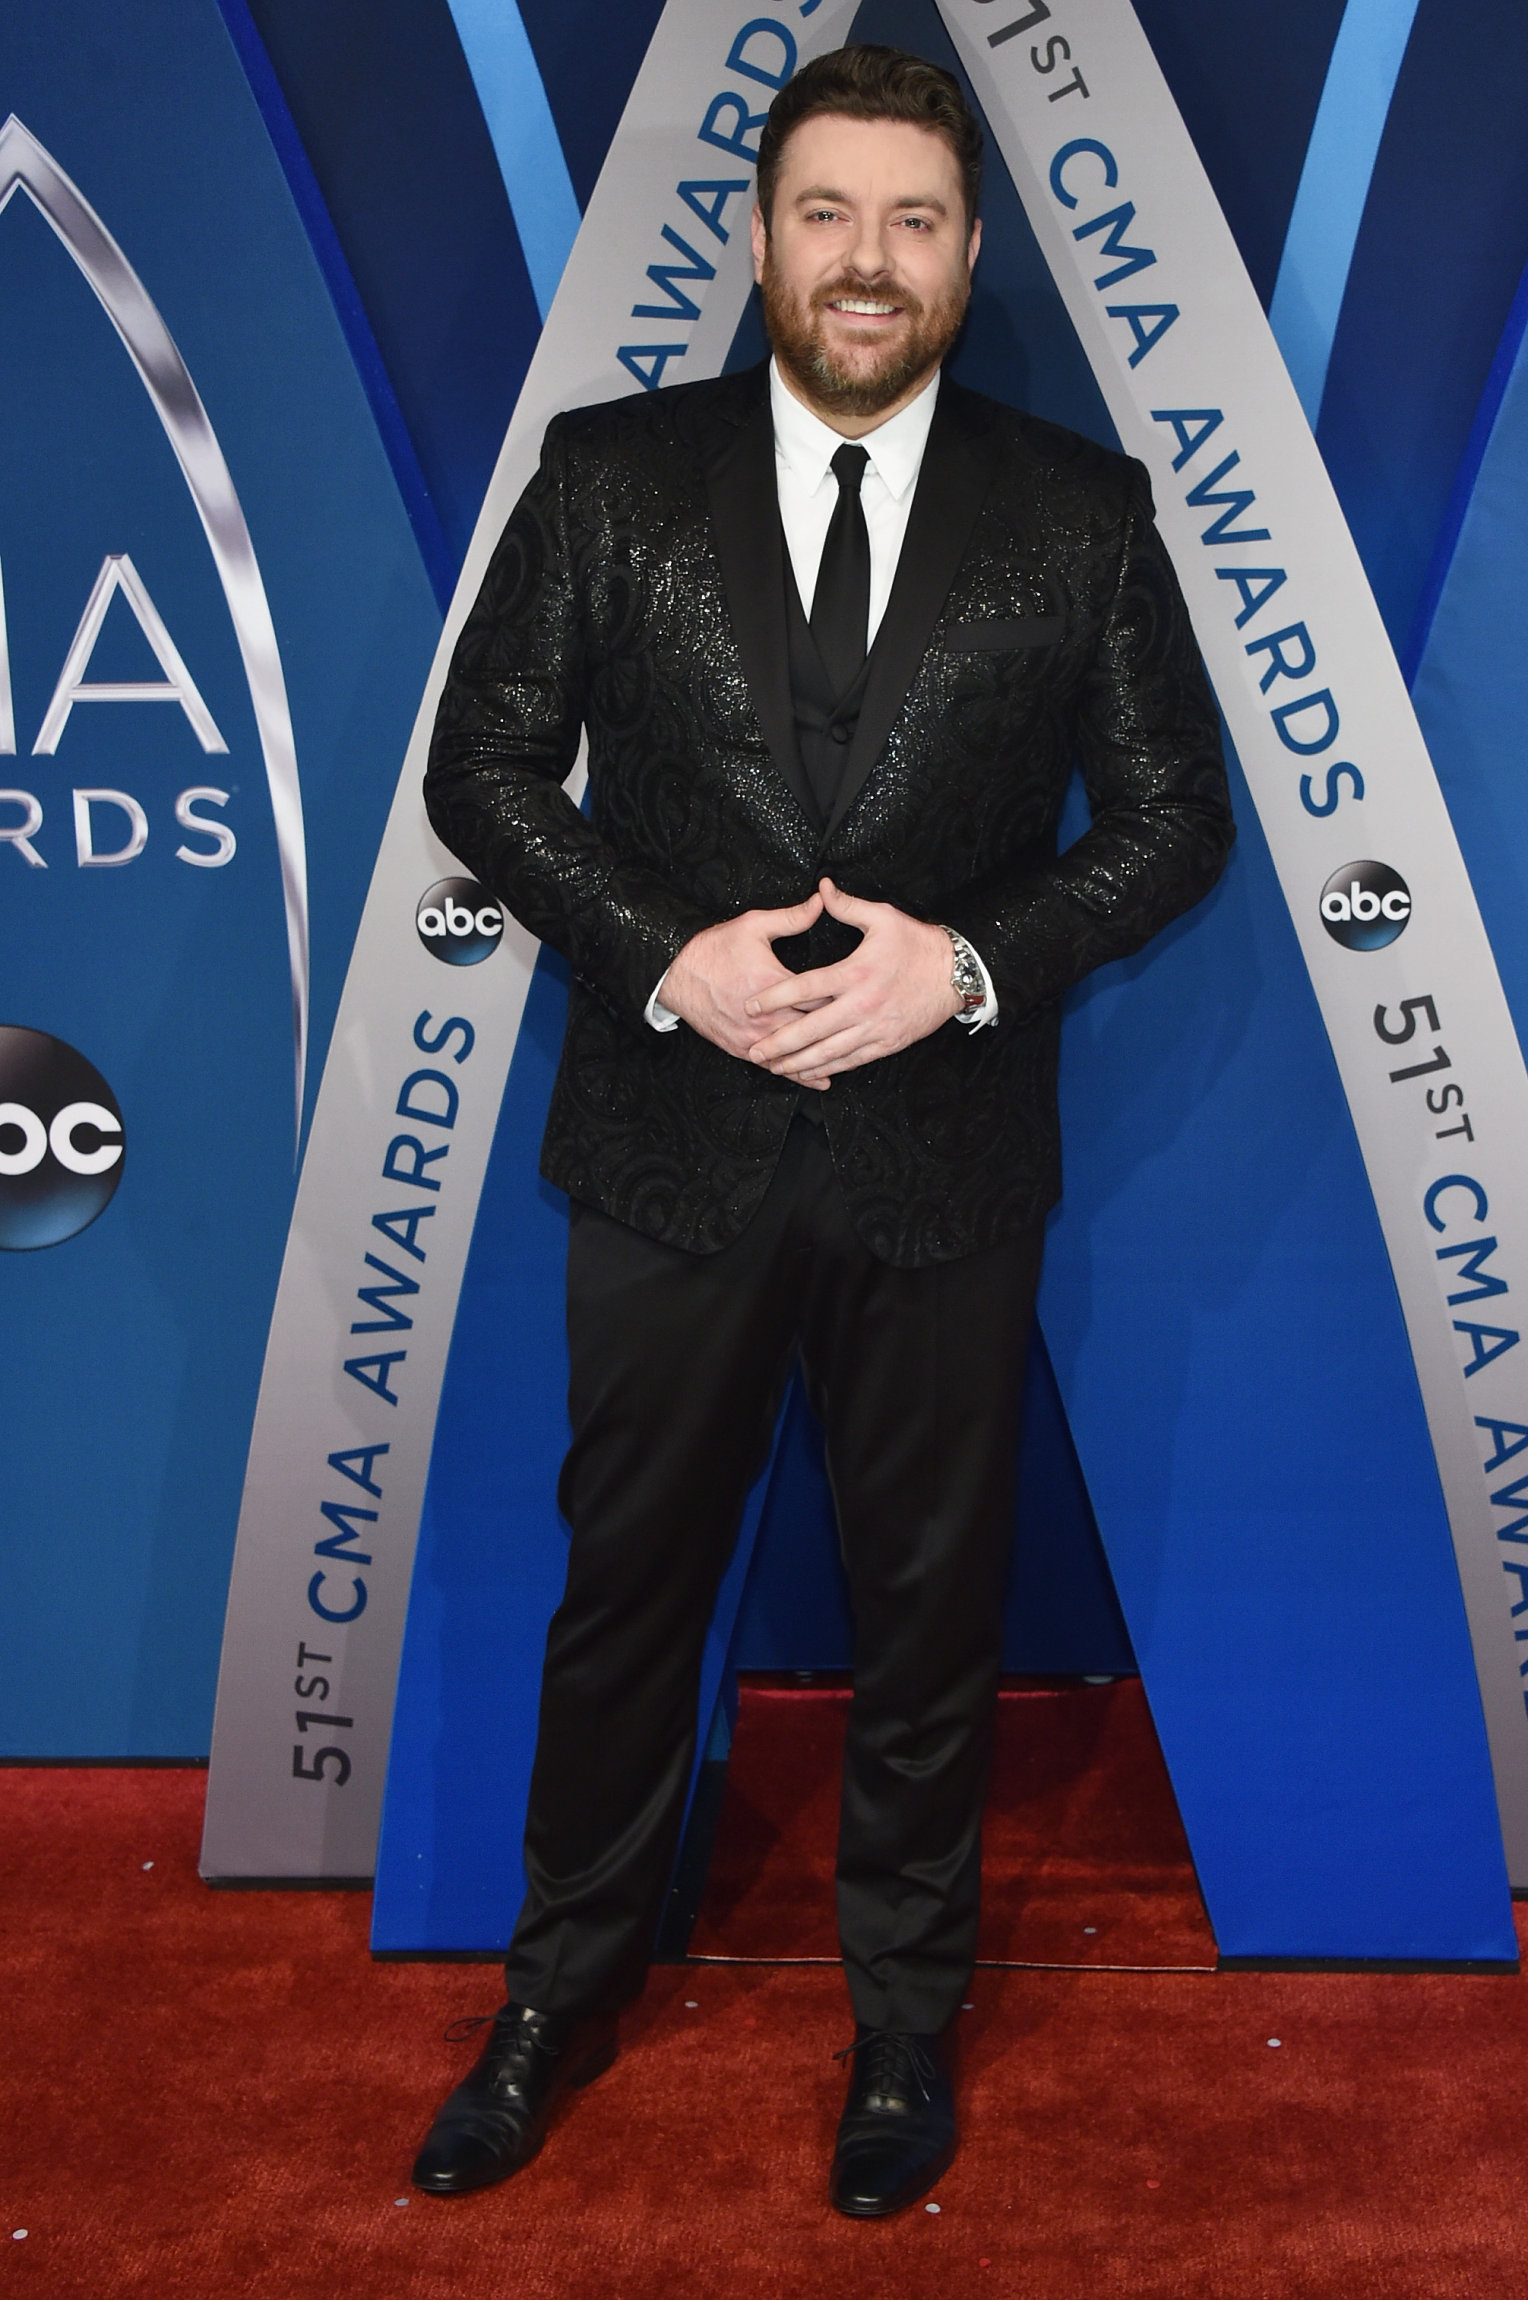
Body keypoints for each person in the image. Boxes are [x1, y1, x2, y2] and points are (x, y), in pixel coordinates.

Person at [413, 43, 1234, 2218]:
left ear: (966, 255)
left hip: (940, 1161)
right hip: (667, 1142)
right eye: (825, 214)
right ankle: (553, 1992)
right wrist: (661, 951)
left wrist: (958, 963)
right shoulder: (604, 475)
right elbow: (480, 772)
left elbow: (1170, 830)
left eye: (912, 221)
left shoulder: (1080, 512)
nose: (864, 261)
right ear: (760, 234)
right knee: (622, 1602)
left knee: (925, 1610)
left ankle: (899, 2025)